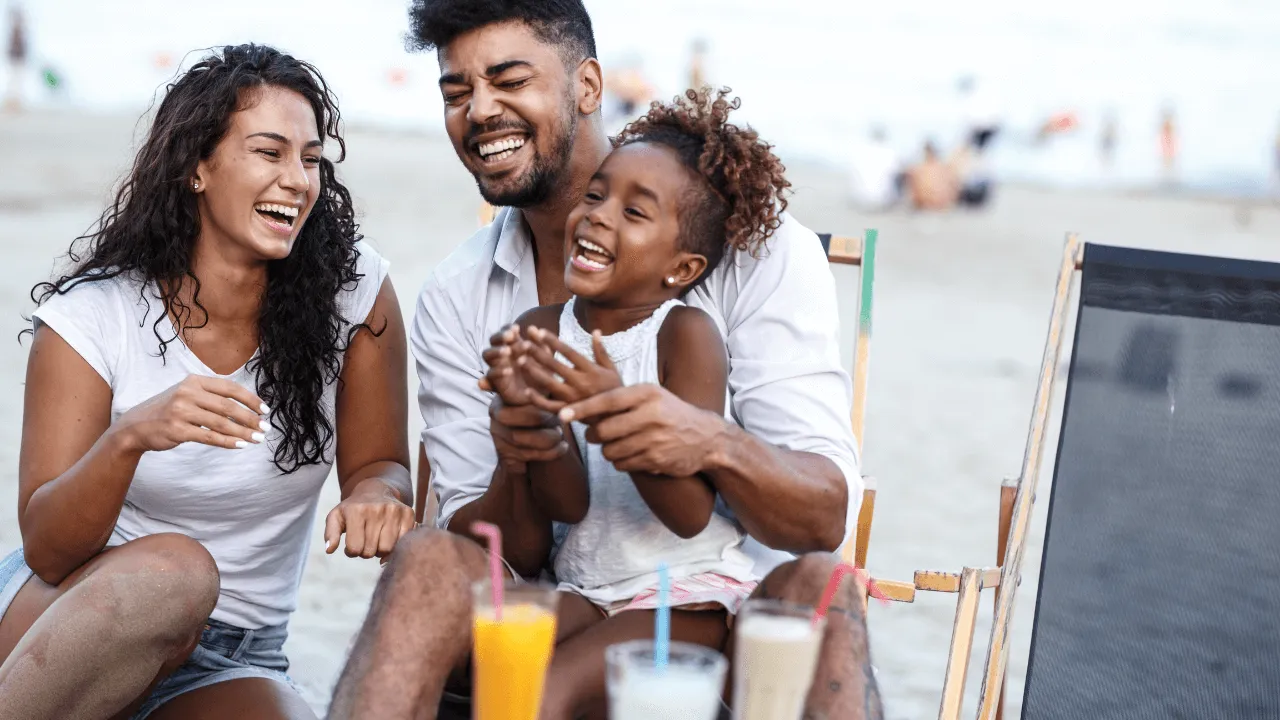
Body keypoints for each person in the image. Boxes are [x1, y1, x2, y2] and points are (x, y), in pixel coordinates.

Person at [329, 2, 878, 719]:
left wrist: (700, 437)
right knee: (428, 561)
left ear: (588, 86)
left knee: (820, 587)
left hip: (726, 607)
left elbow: (821, 516)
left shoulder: (755, 254)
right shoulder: (461, 297)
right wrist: (523, 448)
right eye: (457, 93)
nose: (479, 111)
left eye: (508, 80)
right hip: (569, 601)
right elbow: (504, 546)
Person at [0, 44, 414, 720]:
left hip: (232, 652)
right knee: (176, 573)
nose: (298, 180)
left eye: (311, 159)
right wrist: (130, 438)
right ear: (196, 167)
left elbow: (381, 464)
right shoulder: (94, 315)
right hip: (69, 612)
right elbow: (47, 548)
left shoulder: (355, 292)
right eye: (269, 152)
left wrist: (378, 496)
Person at [472, 88, 790, 712]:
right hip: (585, 584)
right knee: (491, 667)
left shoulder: (685, 336)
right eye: (596, 195)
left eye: (635, 213)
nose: (598, 215)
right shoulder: (541, 329)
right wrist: (527, 419)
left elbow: (688, 512)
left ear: (681, 268)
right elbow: (568, 500)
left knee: (543, 694)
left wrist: (609, 405)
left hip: (683, 592)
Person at [905, 141, 959, 211]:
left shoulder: (919, 169)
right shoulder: (944, 168)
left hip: (927, 203)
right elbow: (954, 189)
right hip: (941, 203)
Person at [4, 4, 26, 113]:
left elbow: (22, 48)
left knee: (16, 83)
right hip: (14, 60)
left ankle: (15, 104)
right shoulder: (15, 32)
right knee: (12, 83)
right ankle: (11, 103)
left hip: (17, 60)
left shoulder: (19, 32)